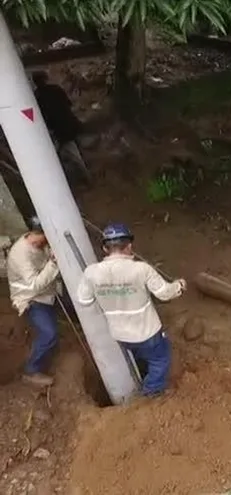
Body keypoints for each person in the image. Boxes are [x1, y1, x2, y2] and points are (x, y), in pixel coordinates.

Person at [76, 224, 187, 397]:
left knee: (138, 355)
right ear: (129, 246)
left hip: (120, 334)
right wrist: (179, 286)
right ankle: (151, 391)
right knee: (160, 359)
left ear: (105, 248)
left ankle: (144, 376)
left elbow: (84, 301)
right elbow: (164, 293)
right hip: (147, 332)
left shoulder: (91, 273)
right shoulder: (141, 269)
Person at [7, 216, 61, 386]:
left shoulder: (39, 244)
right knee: (49, 334)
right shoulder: (21, 254)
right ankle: (31, 371)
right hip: (30, 298)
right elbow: (34, 285)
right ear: (39, 234)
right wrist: (53, 263)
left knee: (53, 330)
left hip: (47, 293)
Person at [31, 71, 90, 183]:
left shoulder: (37, 96)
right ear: (46, 78)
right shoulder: (55, 89)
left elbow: (41, 116)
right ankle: (85, 174)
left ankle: (85, 177)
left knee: (70, 153)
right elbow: (69, 104)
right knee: (75, 151)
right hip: (70, 123)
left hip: (58, 129)